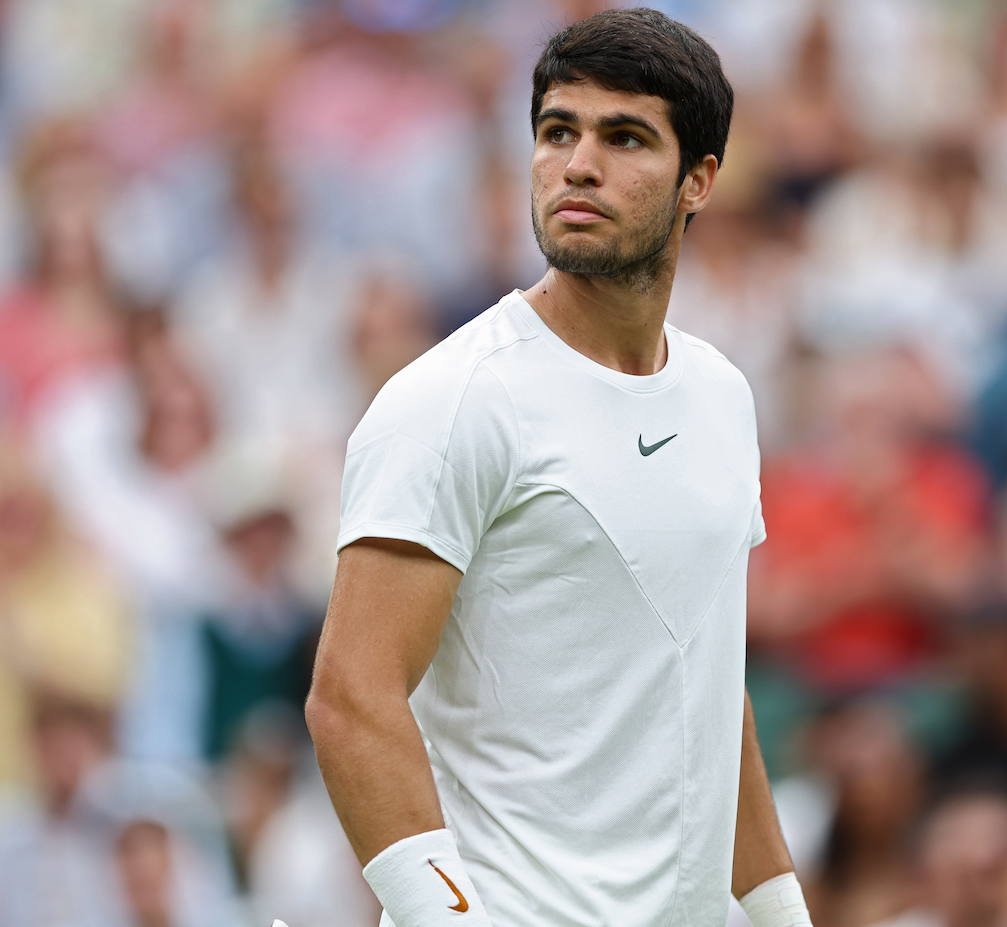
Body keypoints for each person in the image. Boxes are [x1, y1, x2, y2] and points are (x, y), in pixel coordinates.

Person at [305, 8, 809, 926]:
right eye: (556, 131)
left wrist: (782, 913)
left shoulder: (724, 396)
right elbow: (350, 695)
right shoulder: (451, 401)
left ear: (699, 180)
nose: (578, 164)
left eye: (625, 138)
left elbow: (702, 677)